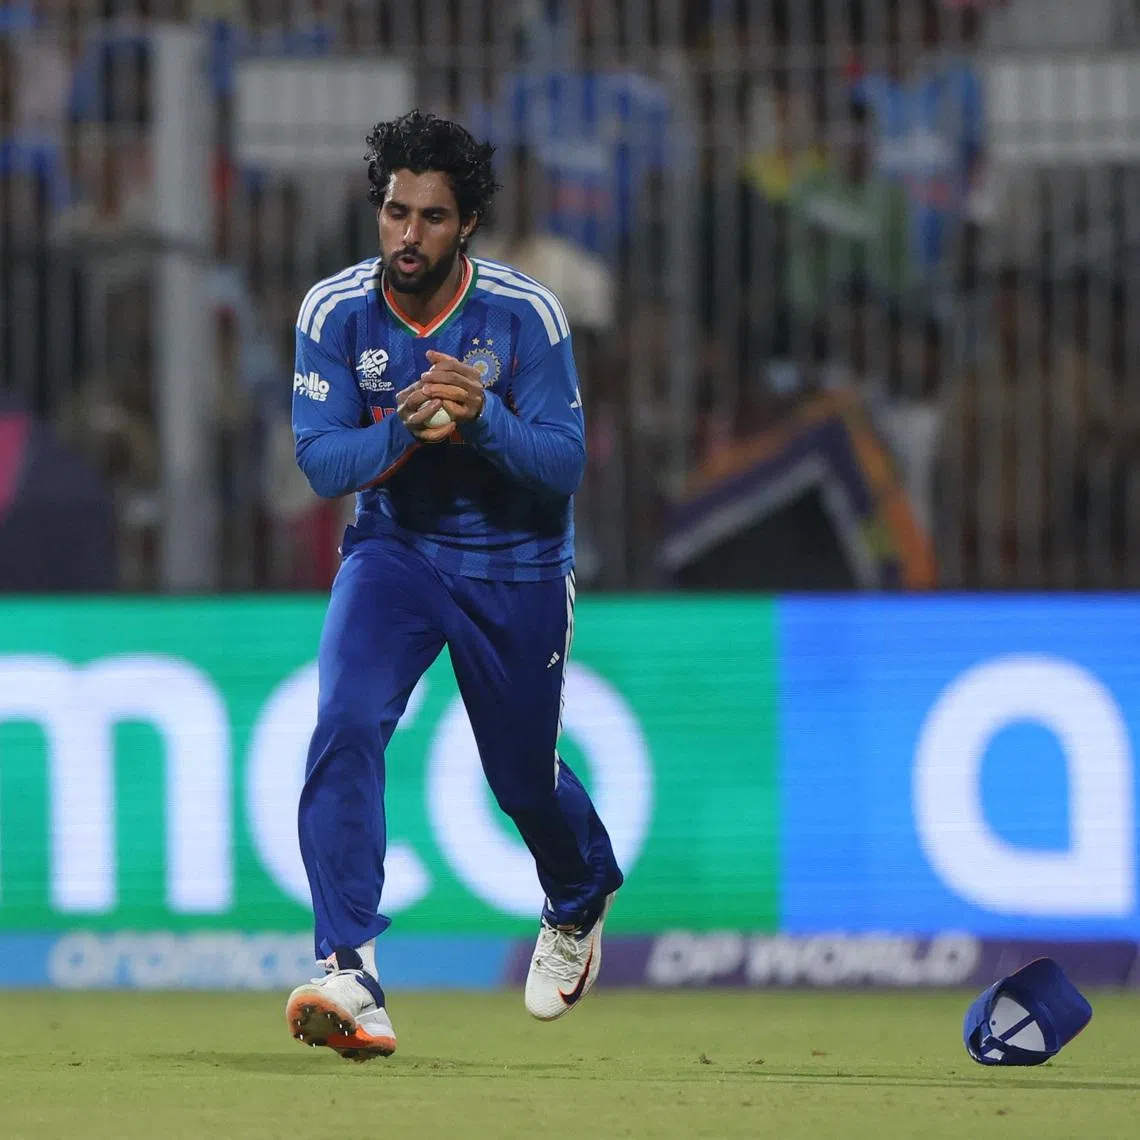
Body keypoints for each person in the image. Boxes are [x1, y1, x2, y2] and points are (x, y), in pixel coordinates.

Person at [285, 109, 624, 1061]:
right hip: (394, 551)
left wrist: (482, 419)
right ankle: (348, 969)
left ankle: (578, 894)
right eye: (396, 212)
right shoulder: (334, 312)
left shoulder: (525, 314)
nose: (408, 235)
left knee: (520, 778)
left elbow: (563, 464)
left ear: (467, 223)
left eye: (432, 217)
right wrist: (405, 425)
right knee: (345, 721)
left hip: (516, 562)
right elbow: (321, 463)